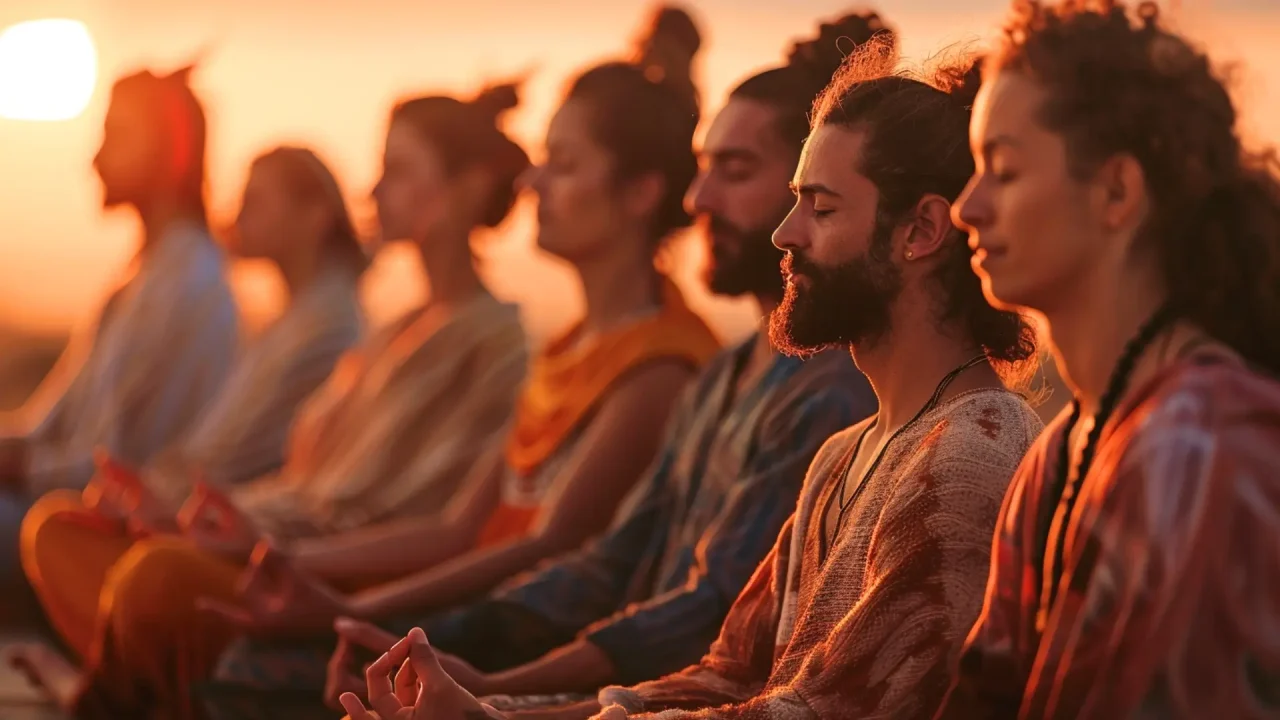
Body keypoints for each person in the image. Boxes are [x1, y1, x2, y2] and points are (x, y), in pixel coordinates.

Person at [353, 43, 1050, 720]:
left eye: (822, 208)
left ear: (921, 229)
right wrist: (496, 711)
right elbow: (727, 675)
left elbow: (814, 713)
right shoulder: (846, 452)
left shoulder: (970, 458)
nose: (786, 233)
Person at [195, 10, 725, 718]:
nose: (533, 181)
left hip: (526, 632)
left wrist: (345, 612)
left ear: (639, 193)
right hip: (465, 604)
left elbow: (549, 545)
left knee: (253, 665)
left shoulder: (662, 364)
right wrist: (307, 582)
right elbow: (458, 527)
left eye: (563, 165)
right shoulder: (569, 344)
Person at [11, 82, 535, 720]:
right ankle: (140, 678)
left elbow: (437, 524)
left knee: (157, 576)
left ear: (468, 188)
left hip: (340, 577)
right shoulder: (397, 330)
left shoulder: (499, 344)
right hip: (283, 544)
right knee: (65, 533)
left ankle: (108, 689)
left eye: (397, 172)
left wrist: (266, 553)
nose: (371, 193)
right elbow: (303, 485)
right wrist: (204, 523)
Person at [935, 2, 1280, 718]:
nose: (967, 206)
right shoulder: (1063, 450)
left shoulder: (1202, 445)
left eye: (1002, 170)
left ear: (1117, 191)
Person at [19, 145, 368, 650]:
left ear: (314, 217)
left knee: (134, 564)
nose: (235, 213)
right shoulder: (286, 321)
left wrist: (163, 504)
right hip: (206, 514)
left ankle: (125, 674)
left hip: (247, 536)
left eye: (256, 200)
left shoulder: (332, 330)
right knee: (55, 527)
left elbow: (245, 463)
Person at [0, 65, 239, 583]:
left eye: (118, 135)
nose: (96, 158)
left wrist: (20, 467)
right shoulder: (138, 277)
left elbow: (131, 466)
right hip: (47, 501)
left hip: (107, 532)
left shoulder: (192, 286)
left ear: (171, 152)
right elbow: (45, 428)